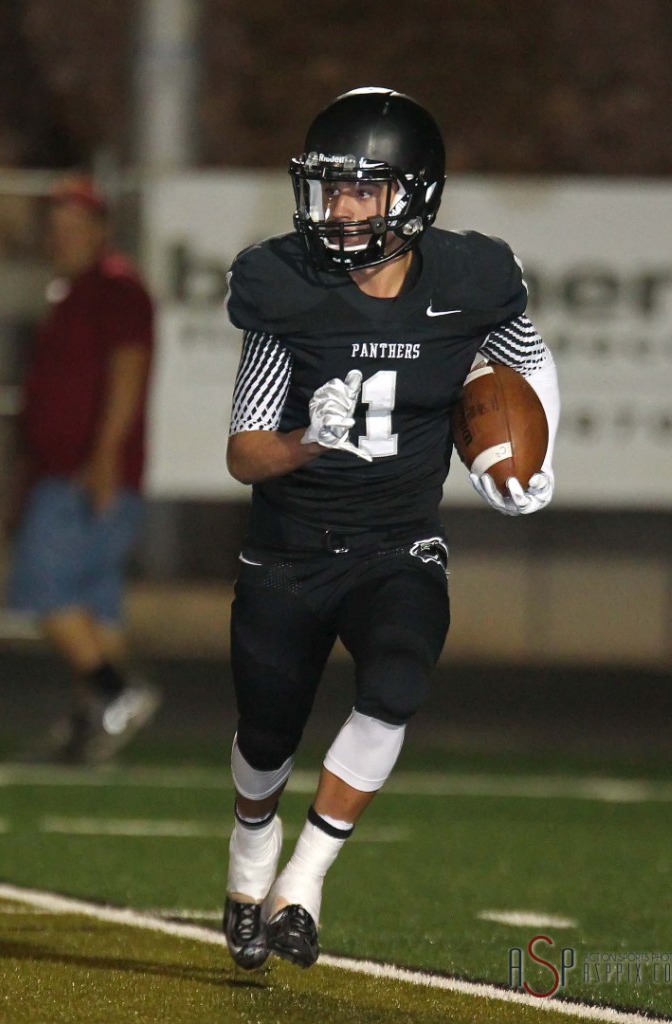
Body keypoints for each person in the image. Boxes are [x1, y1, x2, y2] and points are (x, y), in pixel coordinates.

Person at [222, 87, 560, 970]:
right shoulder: (282, 285)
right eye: (330, 190)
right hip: (288, 550)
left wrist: (527, 468)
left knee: (400, 676)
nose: (338, 209)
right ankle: (249, 856)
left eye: (361, 191)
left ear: (415, 194)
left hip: (396, 540)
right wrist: (306, 440)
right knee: (265, 737)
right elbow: (245, 453)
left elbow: (526, 358)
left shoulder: (471, 278)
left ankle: (304, 882)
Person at [5, 175, 160, 764]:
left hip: (84, 475)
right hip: (63, 471)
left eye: (74, 226)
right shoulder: (70, 293)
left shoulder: (116, 289)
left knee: (42, 589)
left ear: (100, 232)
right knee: (95, 605)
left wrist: (102, 458)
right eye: (56, 227)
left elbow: (127, 373)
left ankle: (118, 694)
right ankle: (89, 725)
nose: (61, 237)